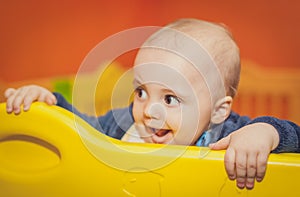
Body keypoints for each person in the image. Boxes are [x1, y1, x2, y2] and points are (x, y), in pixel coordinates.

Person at [4, 18, 300, 190]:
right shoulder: (124, 126)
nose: (148, 111)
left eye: (170, 98)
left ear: (218, 111)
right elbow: (82, 131)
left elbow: (296, 138)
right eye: (141, 92)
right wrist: (51, 102)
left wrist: (267, 133)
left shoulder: (229, 136)